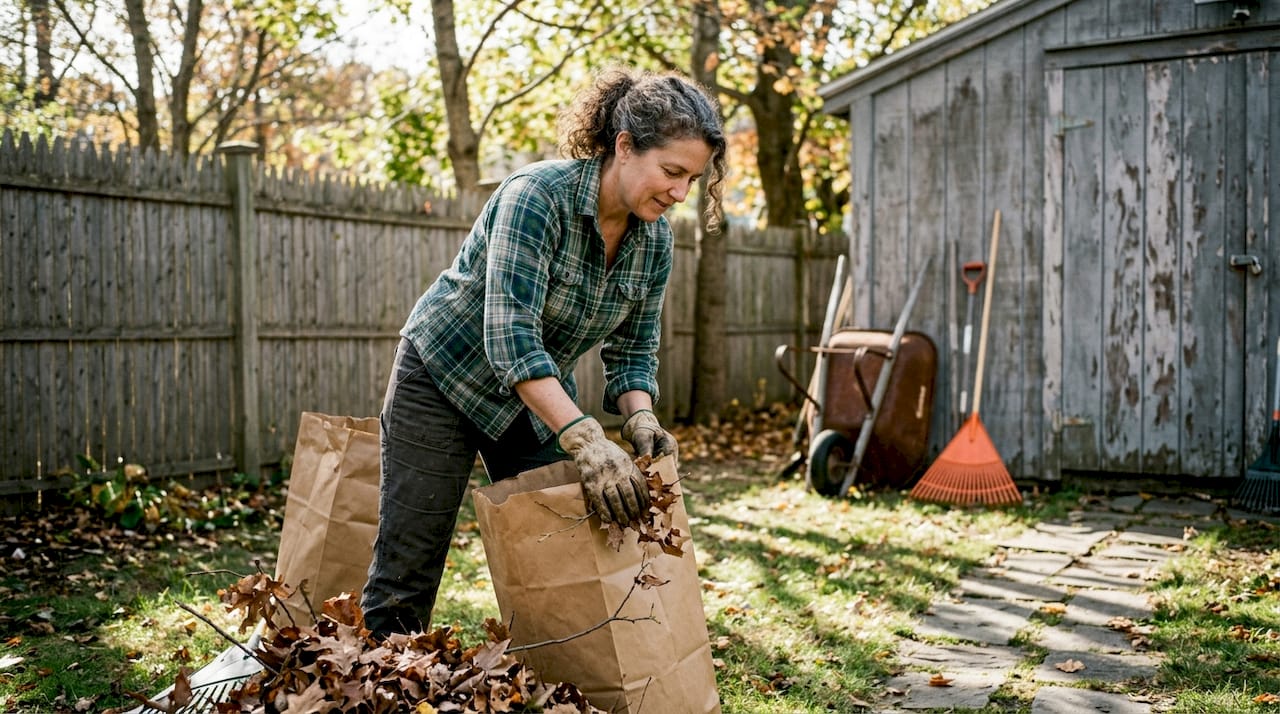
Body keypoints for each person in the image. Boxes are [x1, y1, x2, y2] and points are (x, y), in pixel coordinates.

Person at [360, 66, 728, 638]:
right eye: (672, 172)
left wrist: (640, 415)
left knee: (566, 553)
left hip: (533, 400)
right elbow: (511, 337)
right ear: (625, 147)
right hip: (442, 379)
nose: (681, 193)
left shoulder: (655, 239)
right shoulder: (535, 197)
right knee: (409, 569)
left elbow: (633, 348)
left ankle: (564, 684)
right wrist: (585, 439)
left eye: (692, 179)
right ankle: (376, 685)